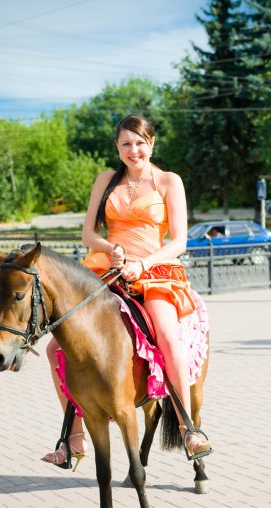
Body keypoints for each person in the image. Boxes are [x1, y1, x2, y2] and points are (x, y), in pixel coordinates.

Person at [42, 114, 212, 467]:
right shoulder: (106, 180)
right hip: (106, 269)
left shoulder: (168, 181)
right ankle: (73, 440)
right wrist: (111, 248)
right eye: (126, 144)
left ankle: (188, 429)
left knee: (167, 336)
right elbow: (88, 234)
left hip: (156, 271)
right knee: (56, 347)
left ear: (152, 143)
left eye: (140, 143)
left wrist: (143, 264)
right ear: (117, 147)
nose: (134, 150)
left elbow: (179, 240)